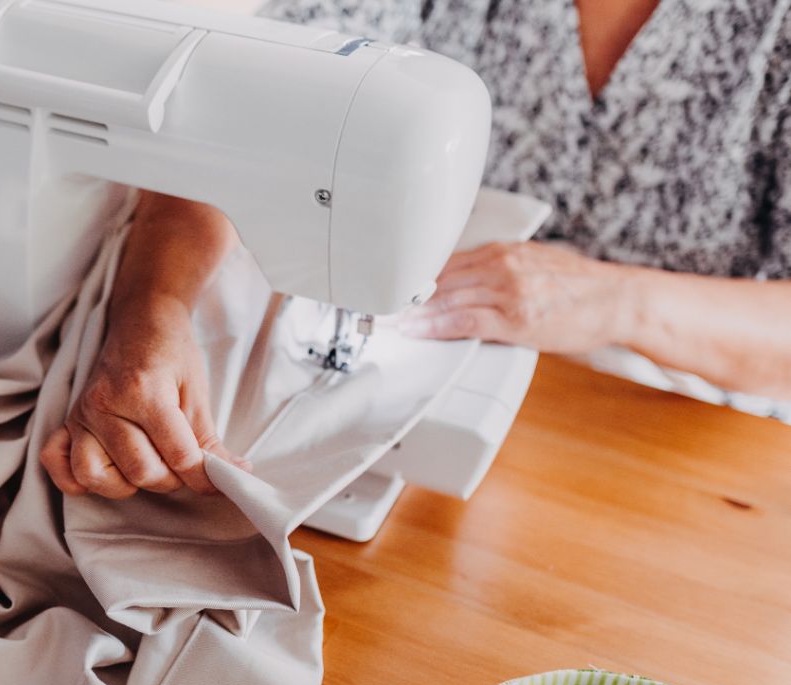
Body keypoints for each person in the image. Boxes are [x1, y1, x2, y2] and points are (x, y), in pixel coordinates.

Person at [41, 0, 791, 499]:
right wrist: (155, 310)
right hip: (476, 442)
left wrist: (616, 298)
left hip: (695, 456)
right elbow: (243, 117)